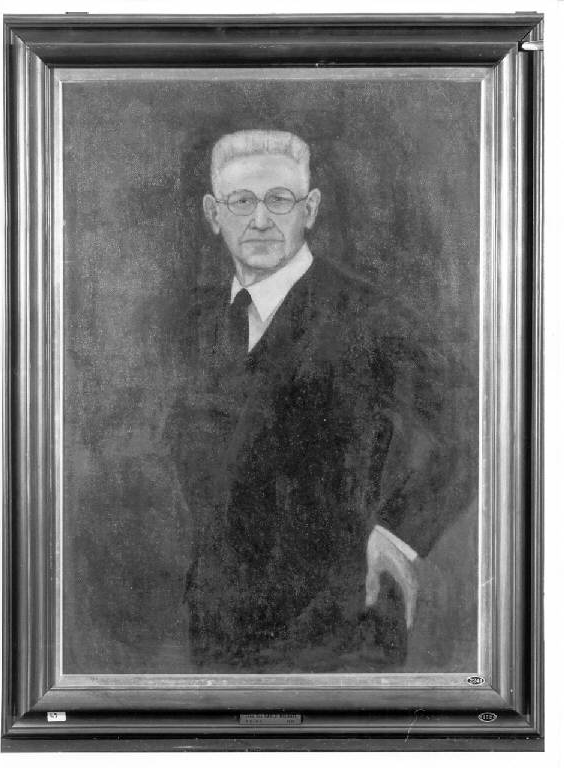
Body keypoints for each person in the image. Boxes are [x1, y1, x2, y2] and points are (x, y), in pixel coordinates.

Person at [167, 129, 474, 673]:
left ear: (309, 210)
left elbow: (478, 423)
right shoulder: (201, 324)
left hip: (342, 631)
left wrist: (401, 535)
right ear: (214, 214)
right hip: (221, 633)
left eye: (279, 200)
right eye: (242, 201)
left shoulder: (369, 317)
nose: (260, 220)